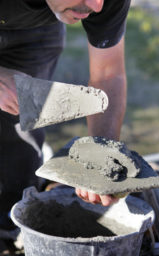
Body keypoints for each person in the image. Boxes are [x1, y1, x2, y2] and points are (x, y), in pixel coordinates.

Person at [0, 0, 131, 230]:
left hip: (35, 33)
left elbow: (108, 74)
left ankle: (11, 222)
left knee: (22, 135)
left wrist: (102, 152)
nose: (97, 6)